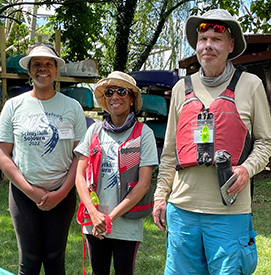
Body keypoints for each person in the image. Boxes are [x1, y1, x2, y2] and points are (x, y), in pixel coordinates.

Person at [152, 9, 271, 275]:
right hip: (182, 212)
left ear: (231, 45)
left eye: (217, 39)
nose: (208, 45)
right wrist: (160, 196)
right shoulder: (182, 88)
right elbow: (170, 151)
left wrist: (246, 169)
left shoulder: (251, 85)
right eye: (202, 38)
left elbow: (265, 143)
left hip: (230, 214)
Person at [0, 44, 87, 274]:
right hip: (22, 195)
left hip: (62, 194)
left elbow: (80, 156)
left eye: (49, 63)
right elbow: (3, 154)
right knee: (28, 261)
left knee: (54, 259)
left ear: (56, 69)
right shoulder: (13, 106)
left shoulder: (73, 107)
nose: (43, 68)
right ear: (29, 70)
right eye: (36, 64)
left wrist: (61, 192)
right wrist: (29, 190)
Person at [74, 71, 158, 275]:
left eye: (122, 91)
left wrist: (109, 218)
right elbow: (79, 176)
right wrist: (95, 215)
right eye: (109, 92)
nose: (115, 96)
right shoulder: (94, 131)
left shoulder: (143, 133)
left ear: (131, 99)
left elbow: (143, 184)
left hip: (126, 225)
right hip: (94, 223)